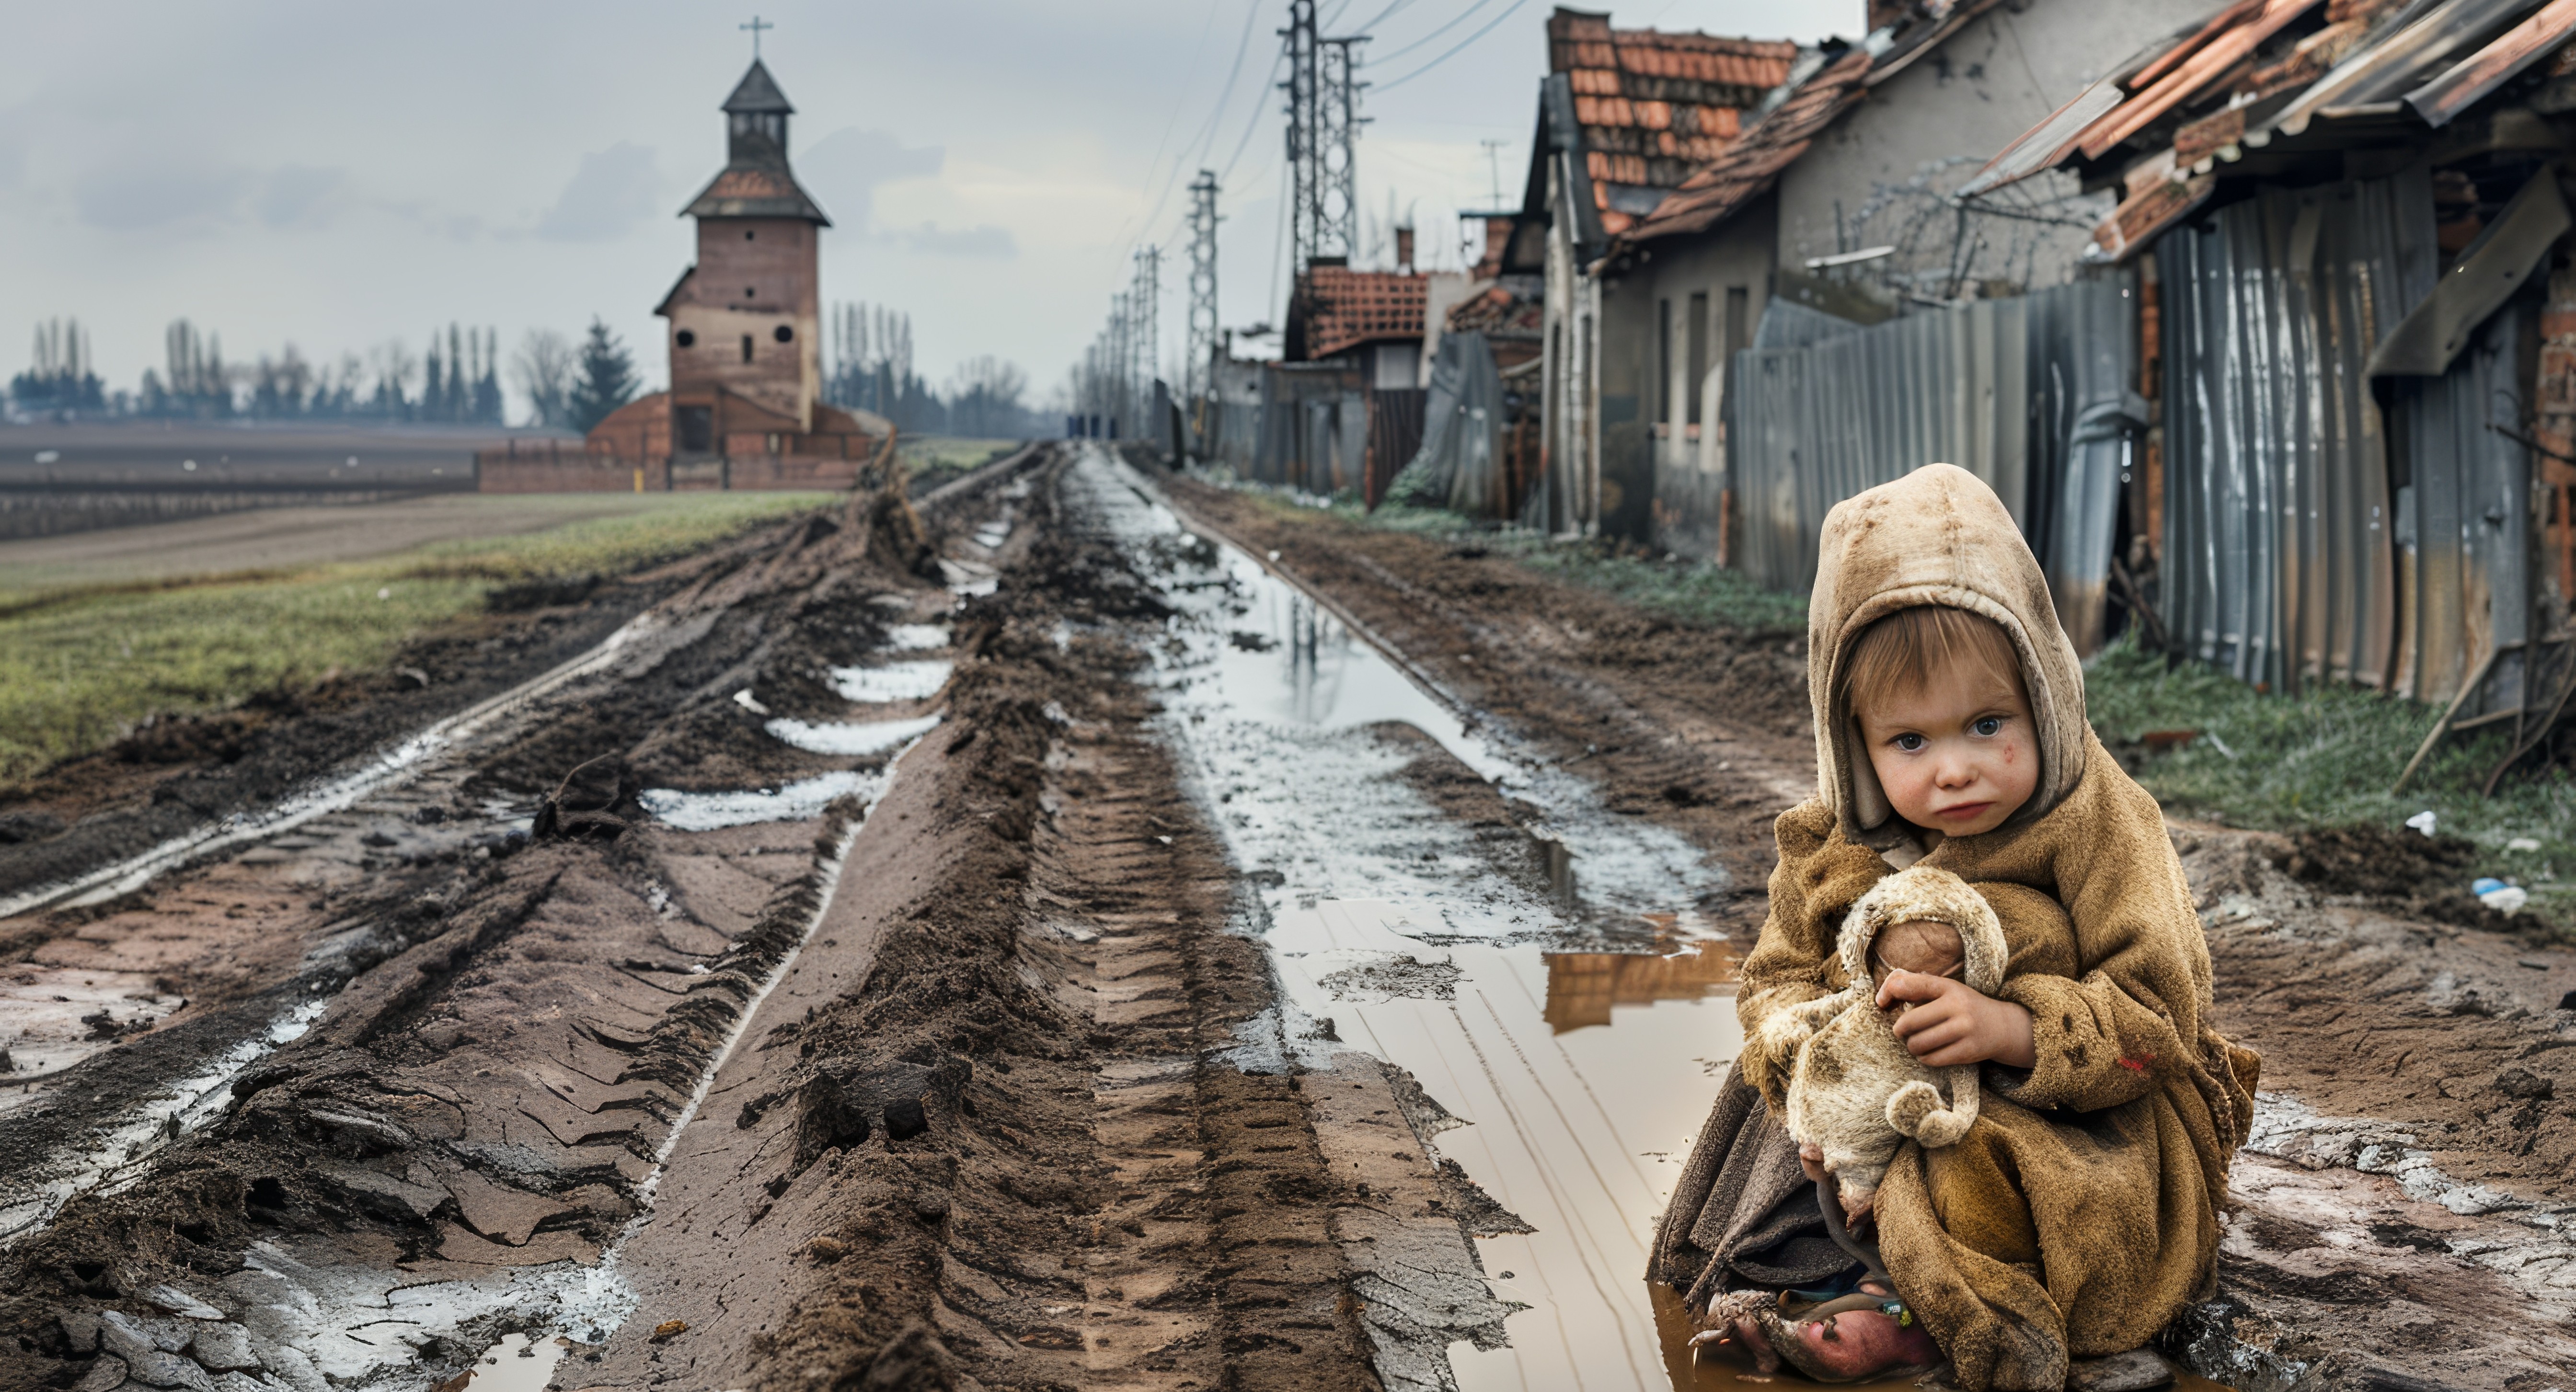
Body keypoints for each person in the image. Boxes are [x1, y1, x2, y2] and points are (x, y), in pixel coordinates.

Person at [1648, 463, 2260, 1390]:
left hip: (2081, 1115)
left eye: (1987, 723)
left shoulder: (2100, 819)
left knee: (1977, 1155)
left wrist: (2010, 1030)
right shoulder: (1832, 841)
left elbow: (2160, 1021)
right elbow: (1770, 982)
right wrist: (1812, 1078)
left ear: (2044, 693)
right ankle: (1844, 1275)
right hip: (1876, 1123)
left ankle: (1942, 1314)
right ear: (1852, 743)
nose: (1955, 771)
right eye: (1910, 742)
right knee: (1770, 1128)